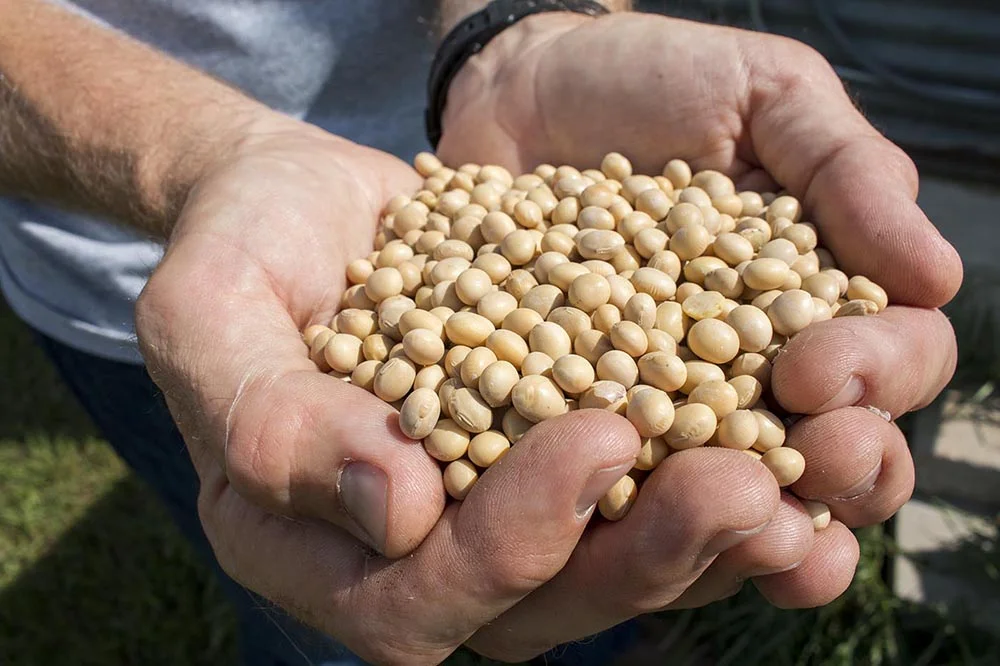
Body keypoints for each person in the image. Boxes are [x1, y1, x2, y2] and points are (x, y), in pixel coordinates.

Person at [0, 1, 961, 664]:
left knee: (610, 566)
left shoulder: (654, 267)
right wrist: (209, 155)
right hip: (157, 248)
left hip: (465, 142)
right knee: (338, 604)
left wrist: (514, 25)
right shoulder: (398, 317)